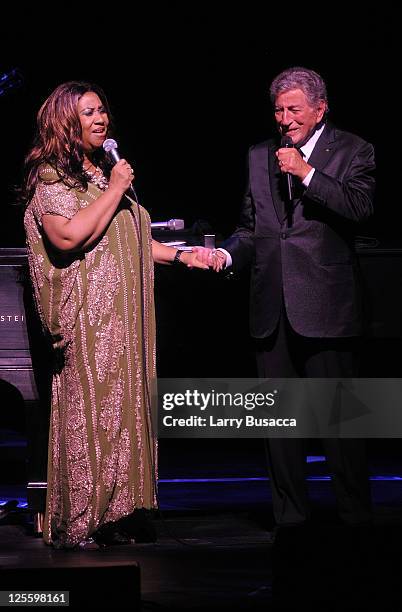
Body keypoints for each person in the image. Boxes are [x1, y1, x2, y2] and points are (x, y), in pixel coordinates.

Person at [22, 81, 209, 549]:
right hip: (88, 320)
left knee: (123, 414)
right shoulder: (52, 179)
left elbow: (126, 240)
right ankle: (84, 517)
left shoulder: (103, 175)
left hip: (123, 318)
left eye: (102, 110)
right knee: (92, 412)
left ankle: (117, 513)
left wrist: (183, 257)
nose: (100, 119)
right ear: (67, 122)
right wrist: (119, 188)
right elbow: (68, 237)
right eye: (88, 113)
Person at [205, 66, 375, 528]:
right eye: (278, 110)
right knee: (279, 429)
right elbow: (250, 227)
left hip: (328, 306)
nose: (284, 119)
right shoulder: (260, 154)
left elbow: (360, 208)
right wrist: (225, 254)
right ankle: (291, 523)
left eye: (294, 109)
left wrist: (307, 173)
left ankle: (357, 522)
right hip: (271, 307)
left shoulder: (354, 150)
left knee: (341, 428)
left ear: (320, 109)